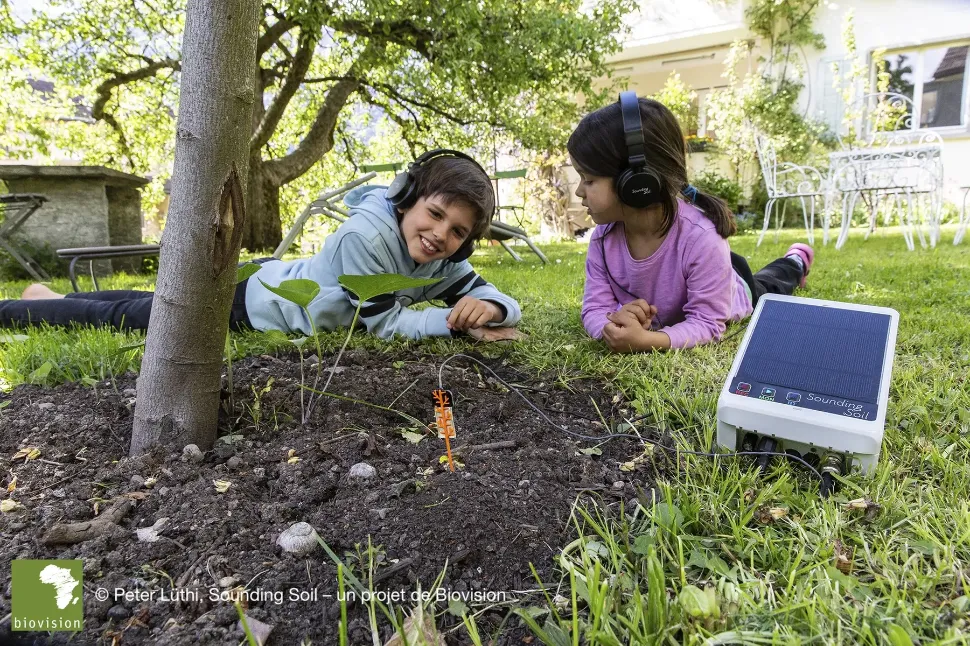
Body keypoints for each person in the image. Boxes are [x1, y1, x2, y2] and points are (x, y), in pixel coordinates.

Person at [1, 150, 522, 341]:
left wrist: (492, 305)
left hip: (270, 276)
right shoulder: (365, 236)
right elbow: (386, 324)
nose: (440, 235)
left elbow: (494, 298)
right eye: (434, 214)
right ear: (407, 200)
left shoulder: (442, 257)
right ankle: (23, 310)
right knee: (140, 317)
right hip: (255, 305)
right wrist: (457, 326)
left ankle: (48, 298)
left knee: (148, 304)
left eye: (458, 231)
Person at [570, 92, 814, 353]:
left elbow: (708, 323)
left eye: (589, 179)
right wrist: (610, 327)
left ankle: (796, 261)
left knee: (770, 286)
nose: (578, 191)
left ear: (636, 182)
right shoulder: (603, 239)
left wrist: (648, 341)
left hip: (734, 287)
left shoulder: (702, 238)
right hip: (708, 266)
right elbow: (596, 309)